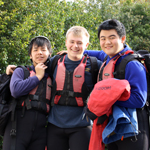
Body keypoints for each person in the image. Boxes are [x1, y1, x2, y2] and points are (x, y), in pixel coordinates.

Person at [84, 19, 149, 150]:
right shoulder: (109, 58)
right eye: (103, 38)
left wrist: (105, 100)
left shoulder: (132, 64)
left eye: (111, 37)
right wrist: (75, 52)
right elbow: (98, 53)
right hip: (114, 129)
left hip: (134, 130)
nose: (107, 42)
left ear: (122, 38)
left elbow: (139, 100)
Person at [46, 26, 102, 150]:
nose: (75, 46)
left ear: (86, 45)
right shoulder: (54, 62)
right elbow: (34, 69)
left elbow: (115, 56)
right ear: (66, 43)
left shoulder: (94, 65)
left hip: (82, 125)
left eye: (79, 43)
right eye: (72, 42)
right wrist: (16, 70)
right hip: (55, 124)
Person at [3, 36, 52, 150]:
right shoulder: (21, 71)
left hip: (40, 130)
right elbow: (16, 91)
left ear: (49, 53)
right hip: (17, 126)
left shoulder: (51, 75)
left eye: (43, 50)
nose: (39, 53)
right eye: (35, 50)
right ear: (30, 55)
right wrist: (38, 76)